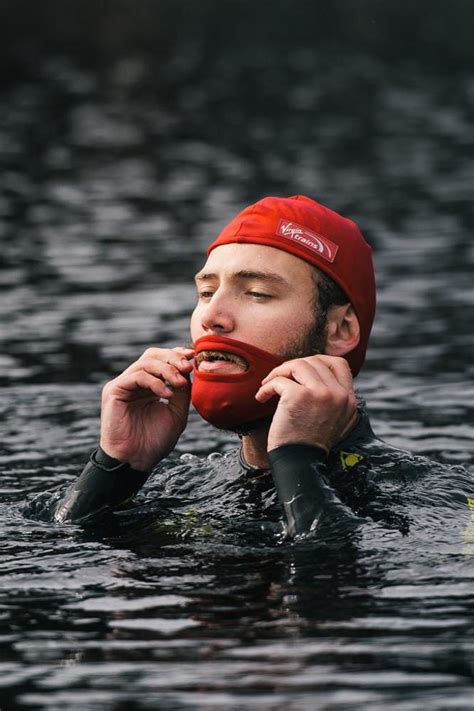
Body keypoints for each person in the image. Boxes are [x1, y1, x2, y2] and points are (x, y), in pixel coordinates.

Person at [30, 195, 471, 538]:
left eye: (257, 293)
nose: (212, 317)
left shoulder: (436, 498)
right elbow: (55, 562)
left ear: (339, 330)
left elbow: (336, 601)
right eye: (205, 293)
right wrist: (116, 466)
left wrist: (297, 459)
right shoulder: (180, 483)